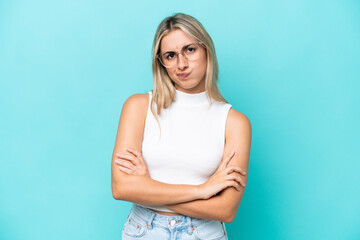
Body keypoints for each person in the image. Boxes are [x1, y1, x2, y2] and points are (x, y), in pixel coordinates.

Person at [111, 12, 251, 240]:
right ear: (161, 62)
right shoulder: (138, 107)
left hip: (203, 233)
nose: (181, 64)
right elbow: (121, 188)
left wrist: (147, 188)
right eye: (170, 55)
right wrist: (202, 191)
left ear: (206, 49)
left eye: (190, 49)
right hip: (144, 230)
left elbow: (225, 210)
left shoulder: (234, 122)